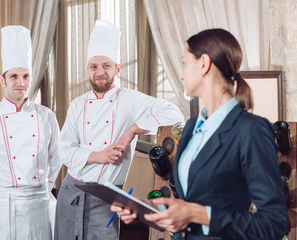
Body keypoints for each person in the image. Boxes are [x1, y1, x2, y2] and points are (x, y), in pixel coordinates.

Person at [112, 28, 288, 240]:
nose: (181, 74)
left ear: (204, 64)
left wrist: (203, 215)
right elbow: (190, 206)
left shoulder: (251, 130)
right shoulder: (191, 128)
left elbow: (274, 223)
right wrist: (148, 211)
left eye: (185, 63)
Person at [54, 19, 184, 240]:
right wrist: (98, 156)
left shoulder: (129, 99)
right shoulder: (78, 104)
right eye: (94, 67)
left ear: (117, 68)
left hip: (106, 195)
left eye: (106, 66)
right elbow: (63, 150)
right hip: (72, 191)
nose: (100, 72)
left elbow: (175, 114)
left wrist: (132, 129)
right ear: (87, 69)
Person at [0, 25, 61, 240]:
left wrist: (45, 189)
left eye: (26, 76)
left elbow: (57, 157)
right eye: (14, 76)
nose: (21, 82)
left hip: (39, 202)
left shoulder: (47, 115)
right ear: (3, 80)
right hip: (5, 204)